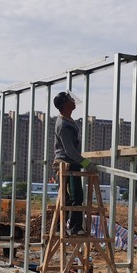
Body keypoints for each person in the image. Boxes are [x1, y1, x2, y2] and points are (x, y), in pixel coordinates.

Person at [52, 90, 94, 236]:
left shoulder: (68, 120)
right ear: (65, 104)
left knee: (70, 197)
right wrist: (86, 163)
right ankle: (73, 227)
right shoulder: (63, 124)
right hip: (66, 163)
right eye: (70, 99)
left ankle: (62, 227)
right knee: (74, 196)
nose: (74, 101)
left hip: (71, 162)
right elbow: (69, 150)